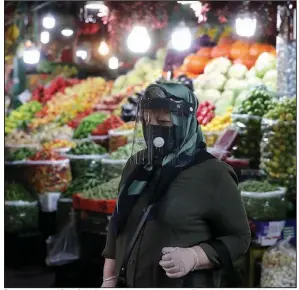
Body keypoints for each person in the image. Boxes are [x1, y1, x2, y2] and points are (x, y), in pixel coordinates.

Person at [101, 82, 250, 288]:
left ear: (185, 123)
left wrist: (195, 256)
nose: (153, 129)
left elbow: (239, 238)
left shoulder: (213, 174)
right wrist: (109, 279)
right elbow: (117, 225)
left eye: (163, 122)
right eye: (147, 121)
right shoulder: (137, 165)